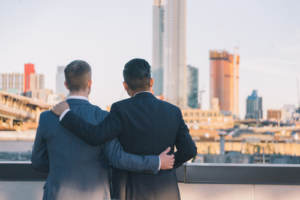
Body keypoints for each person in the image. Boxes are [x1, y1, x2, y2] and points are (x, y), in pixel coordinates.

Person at [52, 58, 197, 200]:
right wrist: (167, 163)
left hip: (130, 191)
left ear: (125, 85)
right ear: (151, 82)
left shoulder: (120, 109)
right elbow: (190, 150)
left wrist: (66, 115)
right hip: (166, 192)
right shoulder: (173, 111)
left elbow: (95, 136)